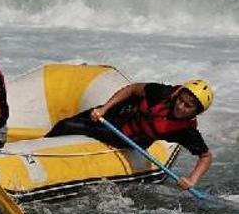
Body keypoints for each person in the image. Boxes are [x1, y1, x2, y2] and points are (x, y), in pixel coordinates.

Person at [45, 80, 214, 189]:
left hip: (128, 138)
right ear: (177, 95)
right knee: (63, 124)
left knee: (71, 126)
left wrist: (192, 180)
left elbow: (205, 157)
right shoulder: (162, 93)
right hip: (117, 115)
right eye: (181, 100)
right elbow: (133, 89)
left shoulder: (186, 131)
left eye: (188, 106)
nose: (180, 107)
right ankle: (42, 146)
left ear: (196, 112)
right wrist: (104, 109)